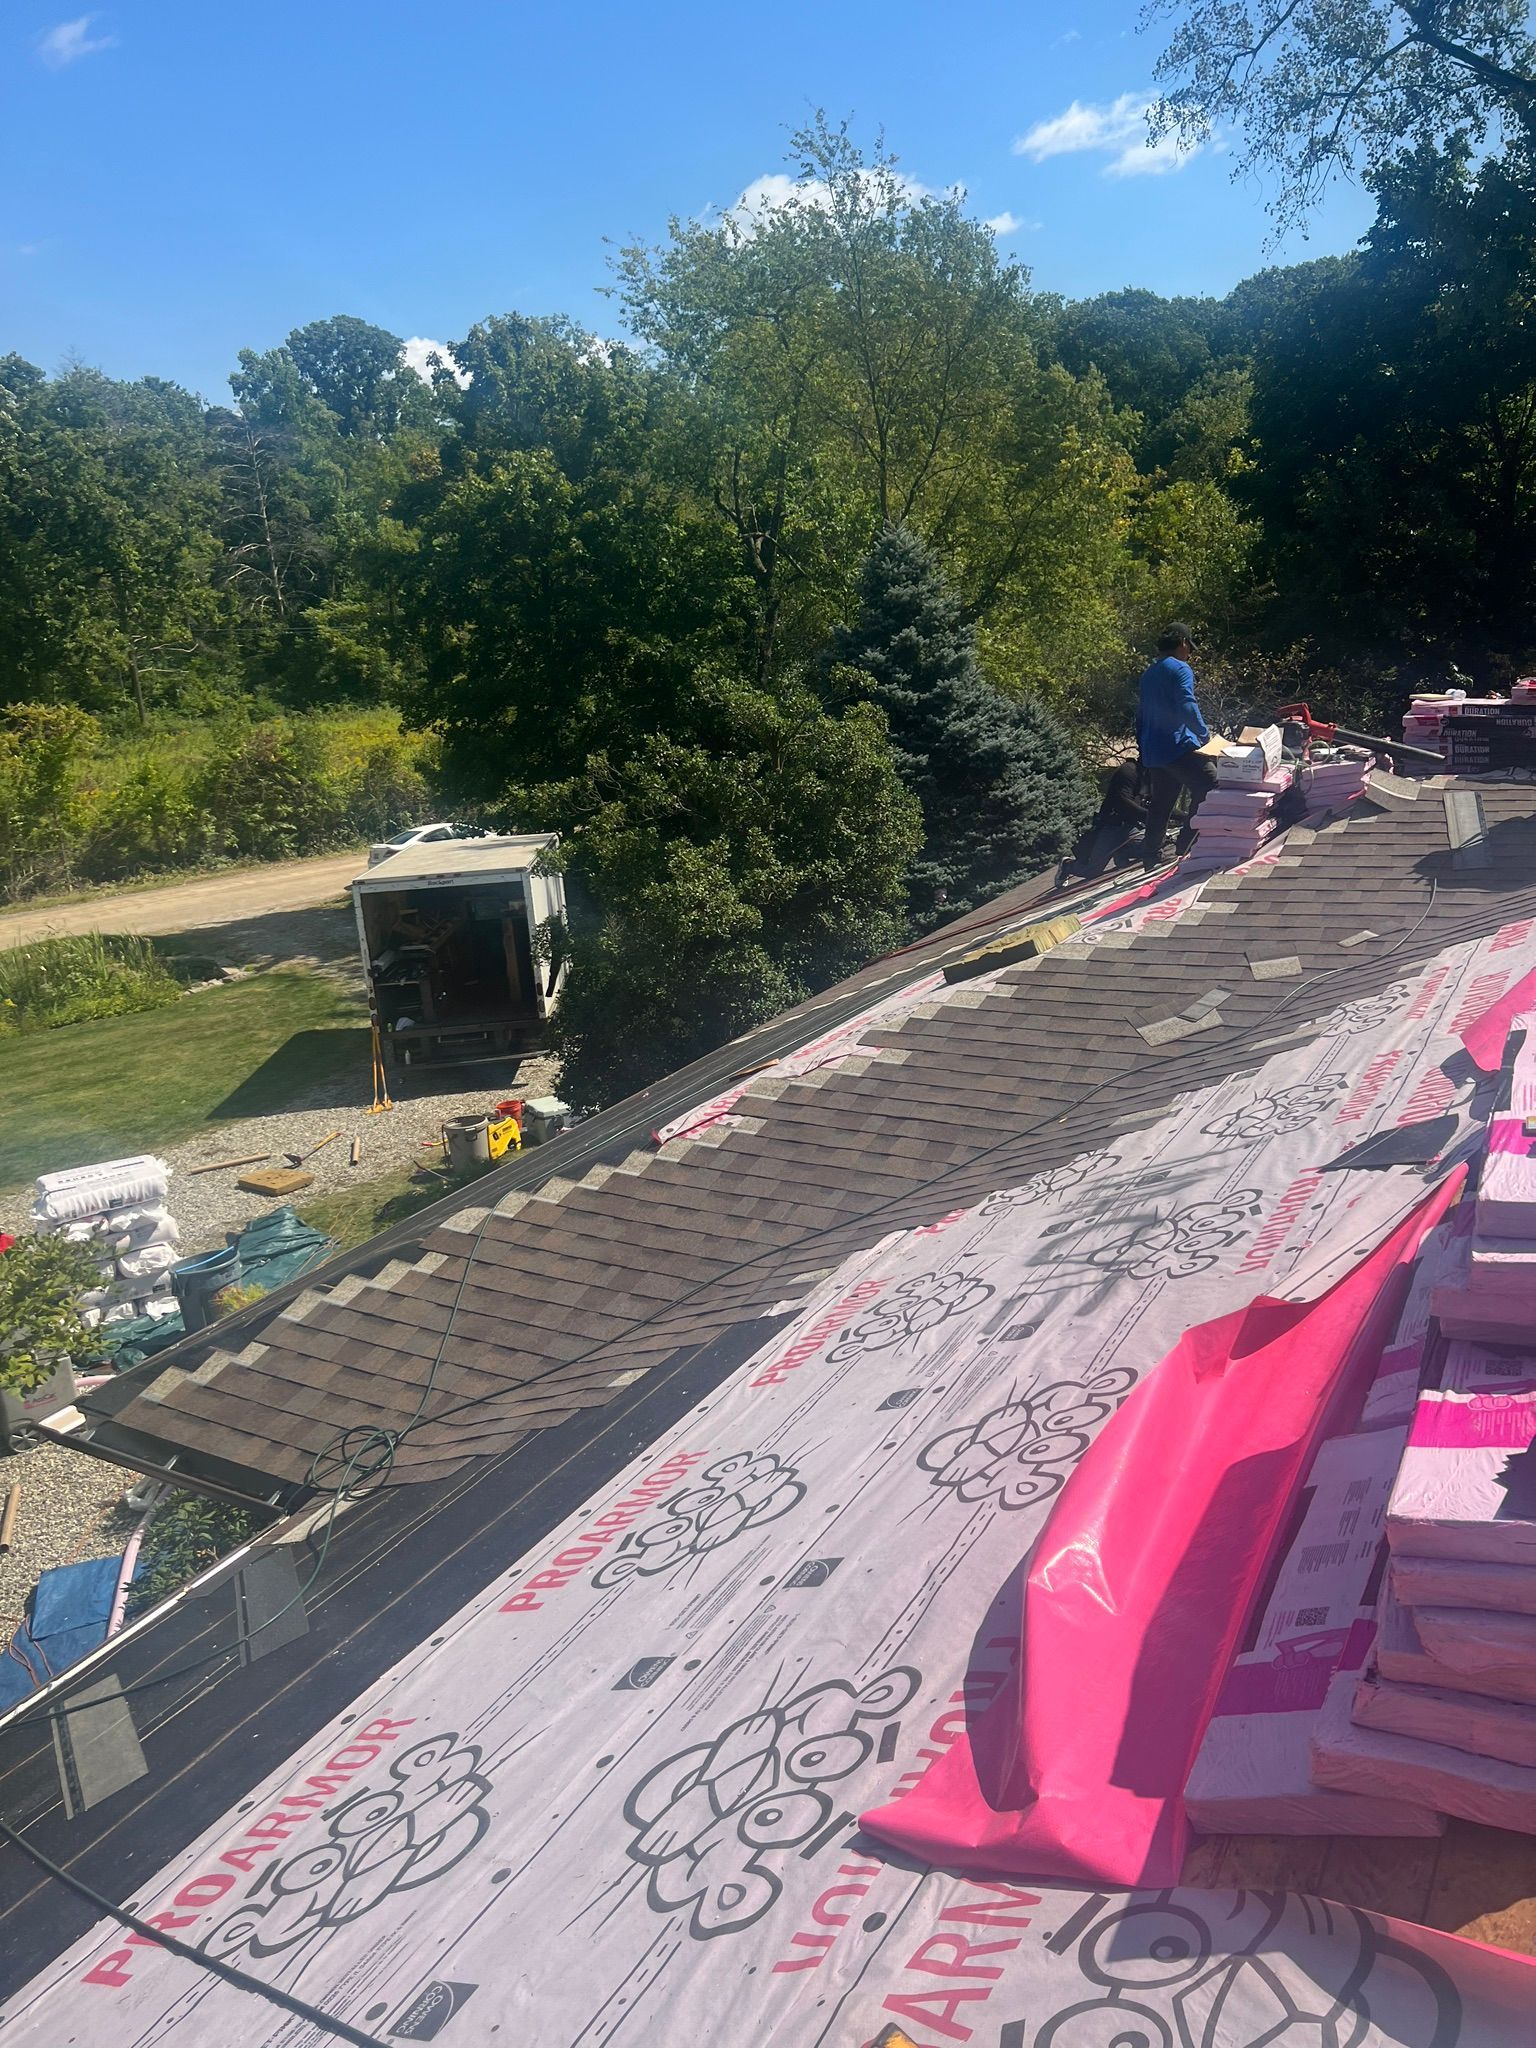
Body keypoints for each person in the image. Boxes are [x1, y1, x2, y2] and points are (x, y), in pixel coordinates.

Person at [1136, 624, 1216, 870]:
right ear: (1182, 642)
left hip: (1154, 750)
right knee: (1210, 784)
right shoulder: (1180, 668)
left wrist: (1143, 745)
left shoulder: (1149, 673)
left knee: (1162, 802)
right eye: (1189, 648)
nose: (1189, 654)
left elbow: (1140, 715)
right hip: (1176, 745)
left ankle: (1151, 856)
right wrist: (1204, 735)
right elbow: (1187, 704)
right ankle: (1187, 843)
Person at [1057, 756, 1147, 884]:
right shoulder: (1128, 771)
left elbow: (1159, 804)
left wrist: (1182, 817)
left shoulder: (1150, 774)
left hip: (1131, 827)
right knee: (1091, 871)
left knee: (1153, 845)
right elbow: (1124, 802)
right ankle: (1067, 865)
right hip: (1112, 827)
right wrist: (1150, 816)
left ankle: (1122, 852)